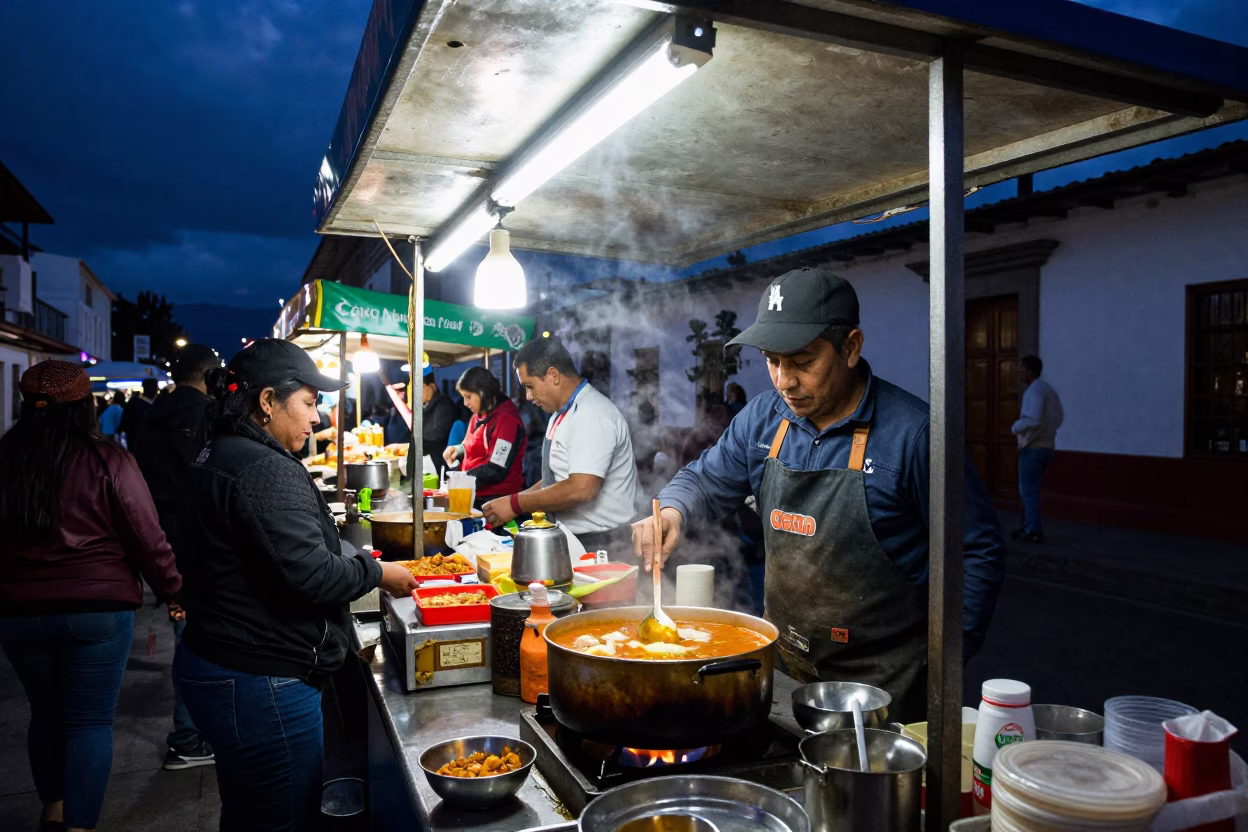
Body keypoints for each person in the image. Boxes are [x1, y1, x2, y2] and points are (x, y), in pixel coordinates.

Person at [634, 269, 1006, 723]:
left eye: (803, 362)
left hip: (883, 690)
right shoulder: (763, 418)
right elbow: (705, 479)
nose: (784, 381)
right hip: (786, 669)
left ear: (850, 347)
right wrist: (672, 510)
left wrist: (944, 664)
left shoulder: (916, 436)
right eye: (772, 361)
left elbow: (977, 553)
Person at [171, 339, 419, 831]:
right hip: (260, 679)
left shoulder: (221, 450)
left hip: (222, 661)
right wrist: (379, 572)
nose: (317, 418)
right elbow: (310, 573)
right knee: (283, 819)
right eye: (308, 403)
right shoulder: (262, 466)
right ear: (267, 402)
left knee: (248, 812)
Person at [0, 361, 183, 832]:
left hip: (18, 611)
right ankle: (79, 827)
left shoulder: (5, 457)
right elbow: (146, 535)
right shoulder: (107, 460)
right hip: (98, 609)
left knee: (45, 713)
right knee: (89, 723)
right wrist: (172, 590)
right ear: (86, 406)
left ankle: (53, 811)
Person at [130, 344, 222, 771]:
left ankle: (196, 732)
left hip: (162, 538)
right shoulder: (207, 414)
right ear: (208, 375)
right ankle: (187, 738)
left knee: (187, 630)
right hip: (200, 538)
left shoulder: (151, 415)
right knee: (195, 637)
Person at [483, 336, 642, 555]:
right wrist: (511, 503)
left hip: (604, 546)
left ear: (553, 375)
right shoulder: (561, 413)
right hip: (574, 540)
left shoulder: (591, 414)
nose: (528, 396)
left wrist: (516, 503)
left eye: (529, 386)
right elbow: (557, 478)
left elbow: (581, 487)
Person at [443, 367, 527, 509]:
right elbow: (472, 445)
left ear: (483, 393)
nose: (465, 403)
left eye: (469, 397)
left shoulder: (507, 421)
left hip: (497, 501)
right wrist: (458, 450)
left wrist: (464, 477)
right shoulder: (478, 415)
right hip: (475, 495)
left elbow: (496, 468)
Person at [1011, 354, 1064, 544]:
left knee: (1028, 491)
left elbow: (1032, 419)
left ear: (1029, 370)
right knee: (1032, 490)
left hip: (1032, 447)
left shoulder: (1034, 392)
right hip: (1046, 446)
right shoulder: (1048, 389)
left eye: (1022, 368)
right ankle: (1028, 525)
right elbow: (1058, 417)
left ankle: (1032, 529)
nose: (1019, 371)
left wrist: (1016, 428)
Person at [423, 372, 458, 477]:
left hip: (437, 459)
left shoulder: (443, 404)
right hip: (428, 456)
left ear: (429, 386)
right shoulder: (427, 406)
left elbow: (437, 434)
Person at [119, 377, 159, 447]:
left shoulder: (133, 404)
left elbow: (124, 426)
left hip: (135, 446)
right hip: (144, 447)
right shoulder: (159, 405)